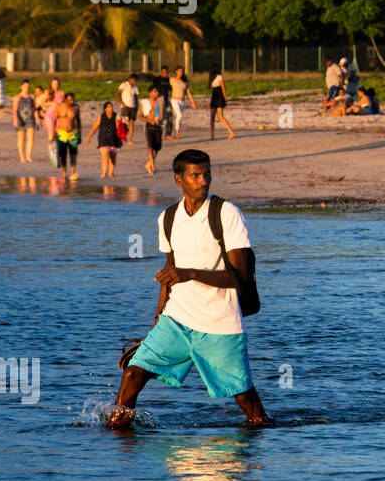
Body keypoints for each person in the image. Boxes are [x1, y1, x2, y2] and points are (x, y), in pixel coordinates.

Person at [107, 148, 272, 429]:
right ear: (178, 179)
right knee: (133, 374)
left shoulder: (226, 213)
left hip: (220, 323)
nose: (203, 180)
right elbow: (170, 273)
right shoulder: (168, 218)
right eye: (195, 175)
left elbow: (240, 278)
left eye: (206, 173)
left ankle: (259, 438)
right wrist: (158, 318)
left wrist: (190, 273)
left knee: (245, 399)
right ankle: (119, 442)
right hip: (176, 320)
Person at [87, 100, 122, 178]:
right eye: (109, 107)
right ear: (105, 109)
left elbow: (120, 127)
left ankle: (111, 173)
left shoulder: (116, 116)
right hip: (103, 139)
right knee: (104, 155)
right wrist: (89, 138)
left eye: (111, 106)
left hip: (114, 139)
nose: (111, 108)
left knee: (113, 157)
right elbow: (94, 128)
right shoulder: (101, 116)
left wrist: (120, 121)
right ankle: (104, 173)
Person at [54, 91, 82, 181]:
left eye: (73, 100)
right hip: (62, 133)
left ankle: (73, 172)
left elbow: (78, 121)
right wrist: (54, 133)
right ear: (65, 100)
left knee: (73, 153)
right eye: (69, 100)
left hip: (73, 133)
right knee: (63, 154)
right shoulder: (59, 107)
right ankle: (64, 173)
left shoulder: (76, 107)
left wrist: (80, 135)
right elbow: (54, 120)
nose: (71, 102)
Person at [141, 83, 166, 174]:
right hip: (149, 126)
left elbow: (163, 115)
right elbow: (140, 116)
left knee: (157, 147)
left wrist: (160, 119)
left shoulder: (160, 102)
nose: (156, 93)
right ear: (150, 93)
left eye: (157, 91)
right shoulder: (145, 102)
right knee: (150, 147)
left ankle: (149, 163)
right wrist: (148, 120)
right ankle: (153, 166)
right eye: (154, 91)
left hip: (158, 126)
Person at [208, 64, 235, 139]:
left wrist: (225, 99)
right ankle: (212, 135)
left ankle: (231, 132)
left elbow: (223, 88)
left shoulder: (220, 77)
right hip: (214, 96)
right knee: (212, 116)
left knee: (220, 116)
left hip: (219, 97)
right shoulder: (212, 78)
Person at [13, 80, 38, 163]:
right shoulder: (17, 97)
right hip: (21, 119)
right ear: (21, 87)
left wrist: (37, 119)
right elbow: (15, 110)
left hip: (30, 119)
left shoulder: (32, 97)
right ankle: (22, 157)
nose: (27, 88)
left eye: (28, 86)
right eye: (25, 86)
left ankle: (28, 156)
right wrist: (16, 120)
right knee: (21, 139)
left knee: (31, 138)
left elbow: (34, 109)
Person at [169, 66, 196, 139]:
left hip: (182, 101)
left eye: (182, 71)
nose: (181, 72)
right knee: (179, 115)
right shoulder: (172, 80)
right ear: (176, 71)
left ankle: (177, 131)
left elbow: (188, 92)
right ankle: (176, 131)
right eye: (179, 71)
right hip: (174, 100)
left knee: (179, 117)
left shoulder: (184, 81)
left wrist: (192, 102)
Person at [117, 74, 139, 144]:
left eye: (135, 81)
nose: (134, 82)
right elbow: (117, 94)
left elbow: (136, 97)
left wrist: (137, 106)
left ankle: (130, 139)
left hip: (133, 106)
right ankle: (122, 137)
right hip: (125, 106)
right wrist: (122, 104)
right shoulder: (124, 85)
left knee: (132, 122)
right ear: (130, 79)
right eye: (133, 80)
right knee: (124, 123)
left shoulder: (135, 87)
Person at [155, 66, 174, 137]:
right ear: (161, 72)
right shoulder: (157, 80)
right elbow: (153, 90)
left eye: (166, 72)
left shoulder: (169, 80)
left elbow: (172, 89)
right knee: (158, 118)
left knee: (170, 117)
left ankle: (168, 134)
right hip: (158, 102)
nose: (165, 74)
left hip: (166, 101)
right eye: (163, 72)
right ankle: (157, 133)